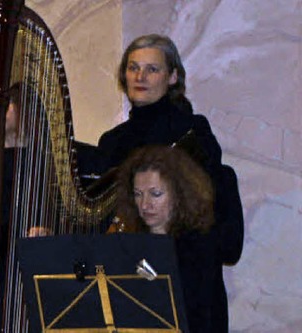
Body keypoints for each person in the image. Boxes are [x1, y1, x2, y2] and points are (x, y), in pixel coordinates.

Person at [96, 34, 243, 331]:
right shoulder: (112, 143)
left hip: (188, 288)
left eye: (152, 69)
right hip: (128, 285)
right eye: (133, 68)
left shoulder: (193, 132)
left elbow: (209, 215)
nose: (140, 76)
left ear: (173, 76)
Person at [116, 145, 218, 332]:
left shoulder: (197, 248)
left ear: (179, 195)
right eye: (138, 194)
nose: (145, 204)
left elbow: (195, 316)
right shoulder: (131, 243)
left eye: (155, 194)